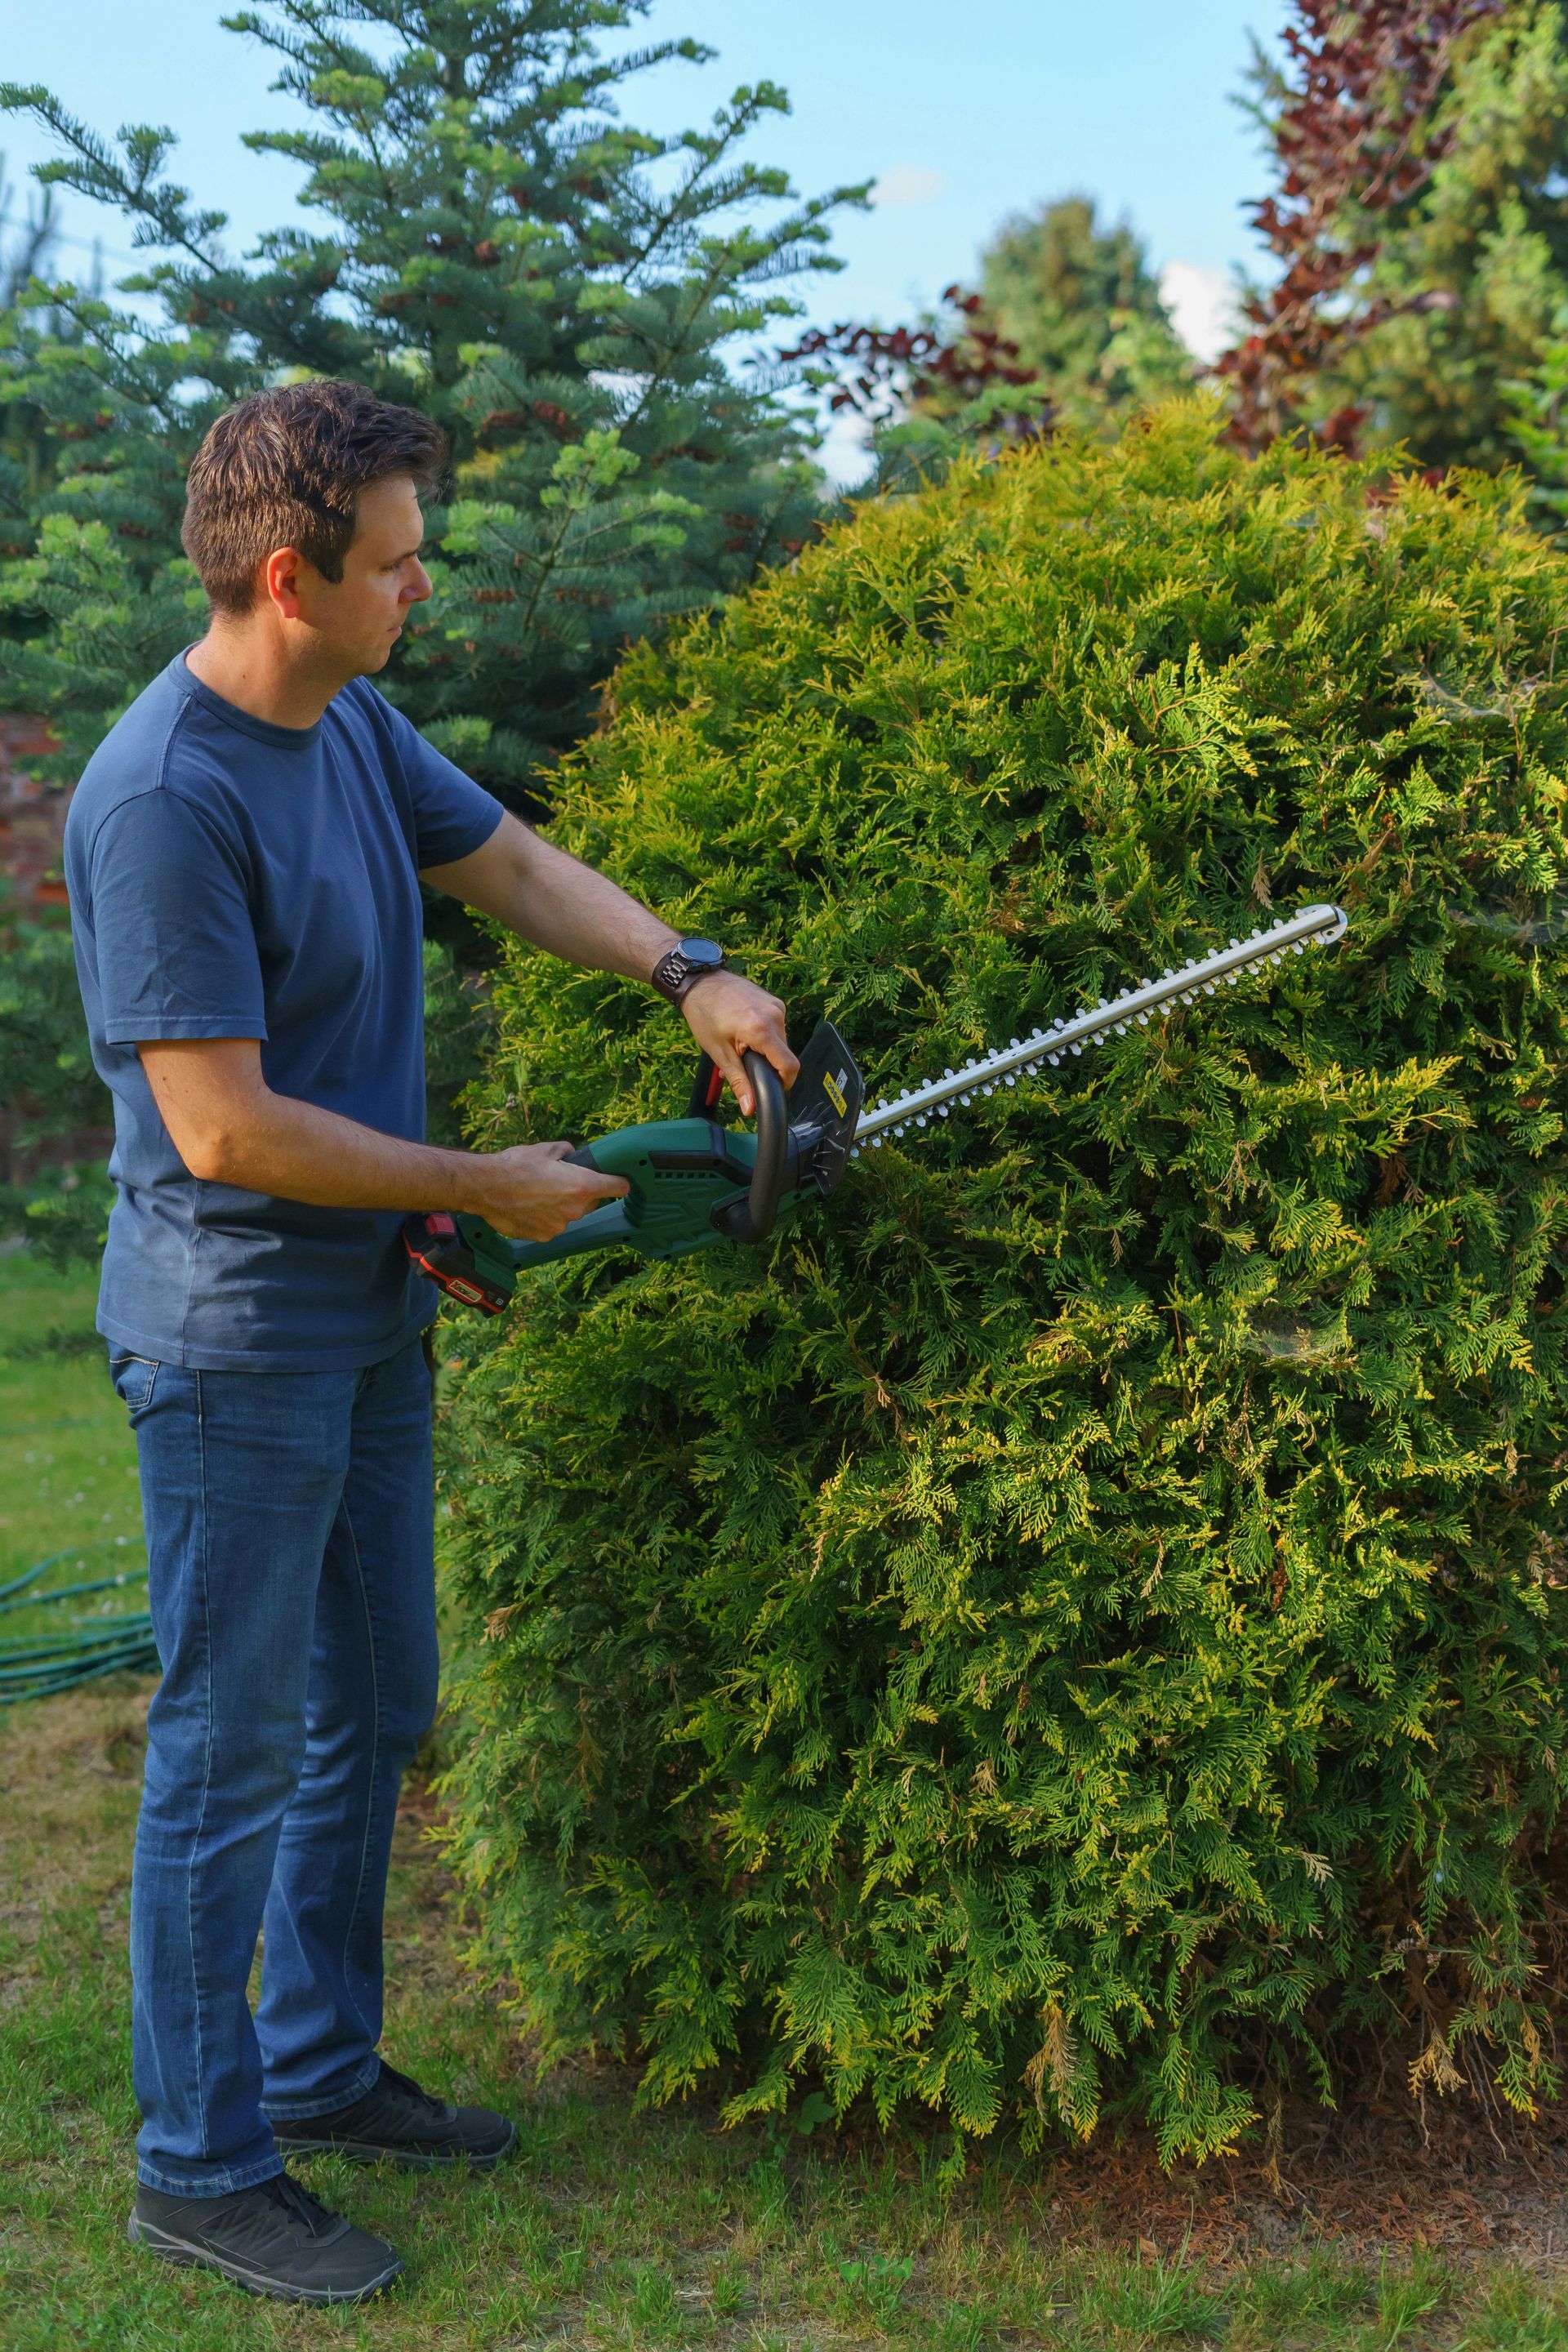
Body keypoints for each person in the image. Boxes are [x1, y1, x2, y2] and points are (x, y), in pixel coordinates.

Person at [62, 378, 797, 2307]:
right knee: (226, 1751)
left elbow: (517, 867)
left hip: (370, 1315)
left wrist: (689, 969)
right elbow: (221, 1126)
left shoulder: (349, 722)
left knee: (372, 1707)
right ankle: (197, 2159)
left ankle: (313, 2064)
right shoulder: (161, 795)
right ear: (290, 577)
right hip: (238, 1344)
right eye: (398, 563)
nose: (426, 588)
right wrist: (474, 1175)